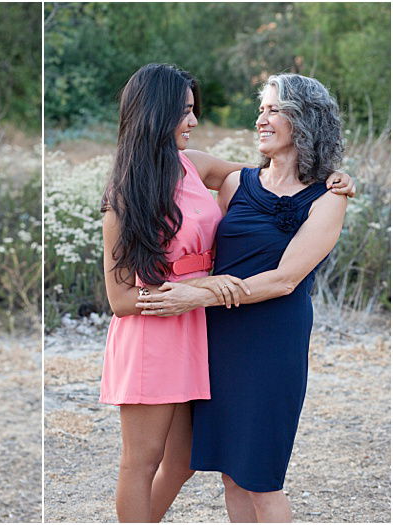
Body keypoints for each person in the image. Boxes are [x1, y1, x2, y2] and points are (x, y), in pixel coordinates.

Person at [99, 64, 353, 523]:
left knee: (216, 469)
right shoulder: (137, 192)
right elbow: (119, 298)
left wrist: (332, 177)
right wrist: (195, 291)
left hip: (221, 329)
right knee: (176, 466)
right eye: (185, 112)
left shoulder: (200, 167)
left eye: (274, 109)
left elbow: (271, 205)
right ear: (157, 115)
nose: (194, 121)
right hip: (177, 330)